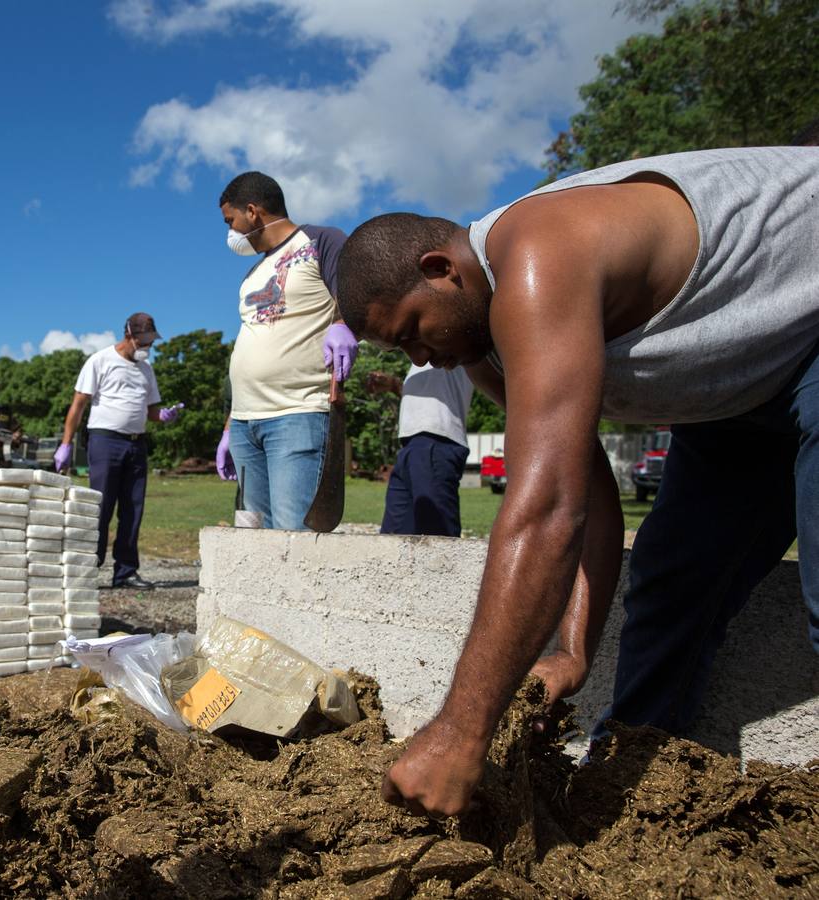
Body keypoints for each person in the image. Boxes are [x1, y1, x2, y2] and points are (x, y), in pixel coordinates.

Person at [333, 146, 819, 819]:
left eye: (413, 331)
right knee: (672, 581)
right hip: (742, 391)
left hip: (806, 329)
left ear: (441, 271)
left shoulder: (537, 253)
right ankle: (632, 811)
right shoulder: (484, 354)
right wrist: (570, 651)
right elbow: (585, 491)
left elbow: (545, 511)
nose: (420, 359)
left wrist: (460, 731)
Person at [213, 171, 360, 530]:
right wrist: (230, 427)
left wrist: (342, 324)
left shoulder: (321, 241)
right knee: (253, 541)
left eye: (230, 221)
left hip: (297, 414)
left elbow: (354, 292)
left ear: (252, 211)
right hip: (246, 424)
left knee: (294, 538)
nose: (230, 231)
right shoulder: (253, 273)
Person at [54, 313, 183, 589]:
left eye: (151, 341)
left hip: (136, 443)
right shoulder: (100, 361)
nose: (149, 347)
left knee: (133, 509)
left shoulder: (146, 369)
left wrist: (164, 416)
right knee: (101, 506)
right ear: (130, 336)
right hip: (105, 441)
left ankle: (125, 572)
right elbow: (78, 405)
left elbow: (151, 412)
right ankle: (89, 568)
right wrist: (66, 444)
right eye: (145, 341)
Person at [366, 364, 473, 536]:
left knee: (437, 538)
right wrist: (394, 385)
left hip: (435, 440)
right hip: (411, 444)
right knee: (394, 540)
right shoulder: (419, 360)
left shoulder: (447, 343)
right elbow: (428, 395)